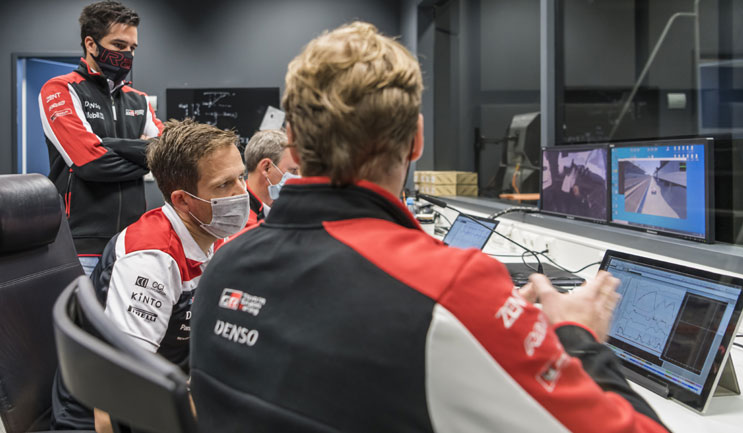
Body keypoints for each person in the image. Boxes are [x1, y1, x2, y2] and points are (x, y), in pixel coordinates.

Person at [189, 22, 668, 433]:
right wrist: (577, 337)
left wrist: (488, 324)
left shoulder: (223, 265)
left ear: (291, 142)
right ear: (416, 140)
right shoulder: (452, 289)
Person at [51, 119, 249, 431]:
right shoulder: (150, 259)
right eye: (224, 185)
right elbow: (112, 406)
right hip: (101, 419)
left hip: (168, 389)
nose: (242, 192)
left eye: (241, 177)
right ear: (182, 200)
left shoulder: (210, 235)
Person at [39, 1, 163, 276]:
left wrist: (107, 144)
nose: (127, 54)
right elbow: (90, 163)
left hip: (131, 244)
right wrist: (145, 156)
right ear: (91, 44)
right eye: (119, 45)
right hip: (79, 246)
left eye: (132, 48)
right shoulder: (61, 89)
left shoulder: (140, 100)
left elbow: (168, 156)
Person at [242, 129, 300, 222]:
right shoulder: (241, 222)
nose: (299, 178)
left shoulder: (285, 207)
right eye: (293, 170)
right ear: (266, 168)